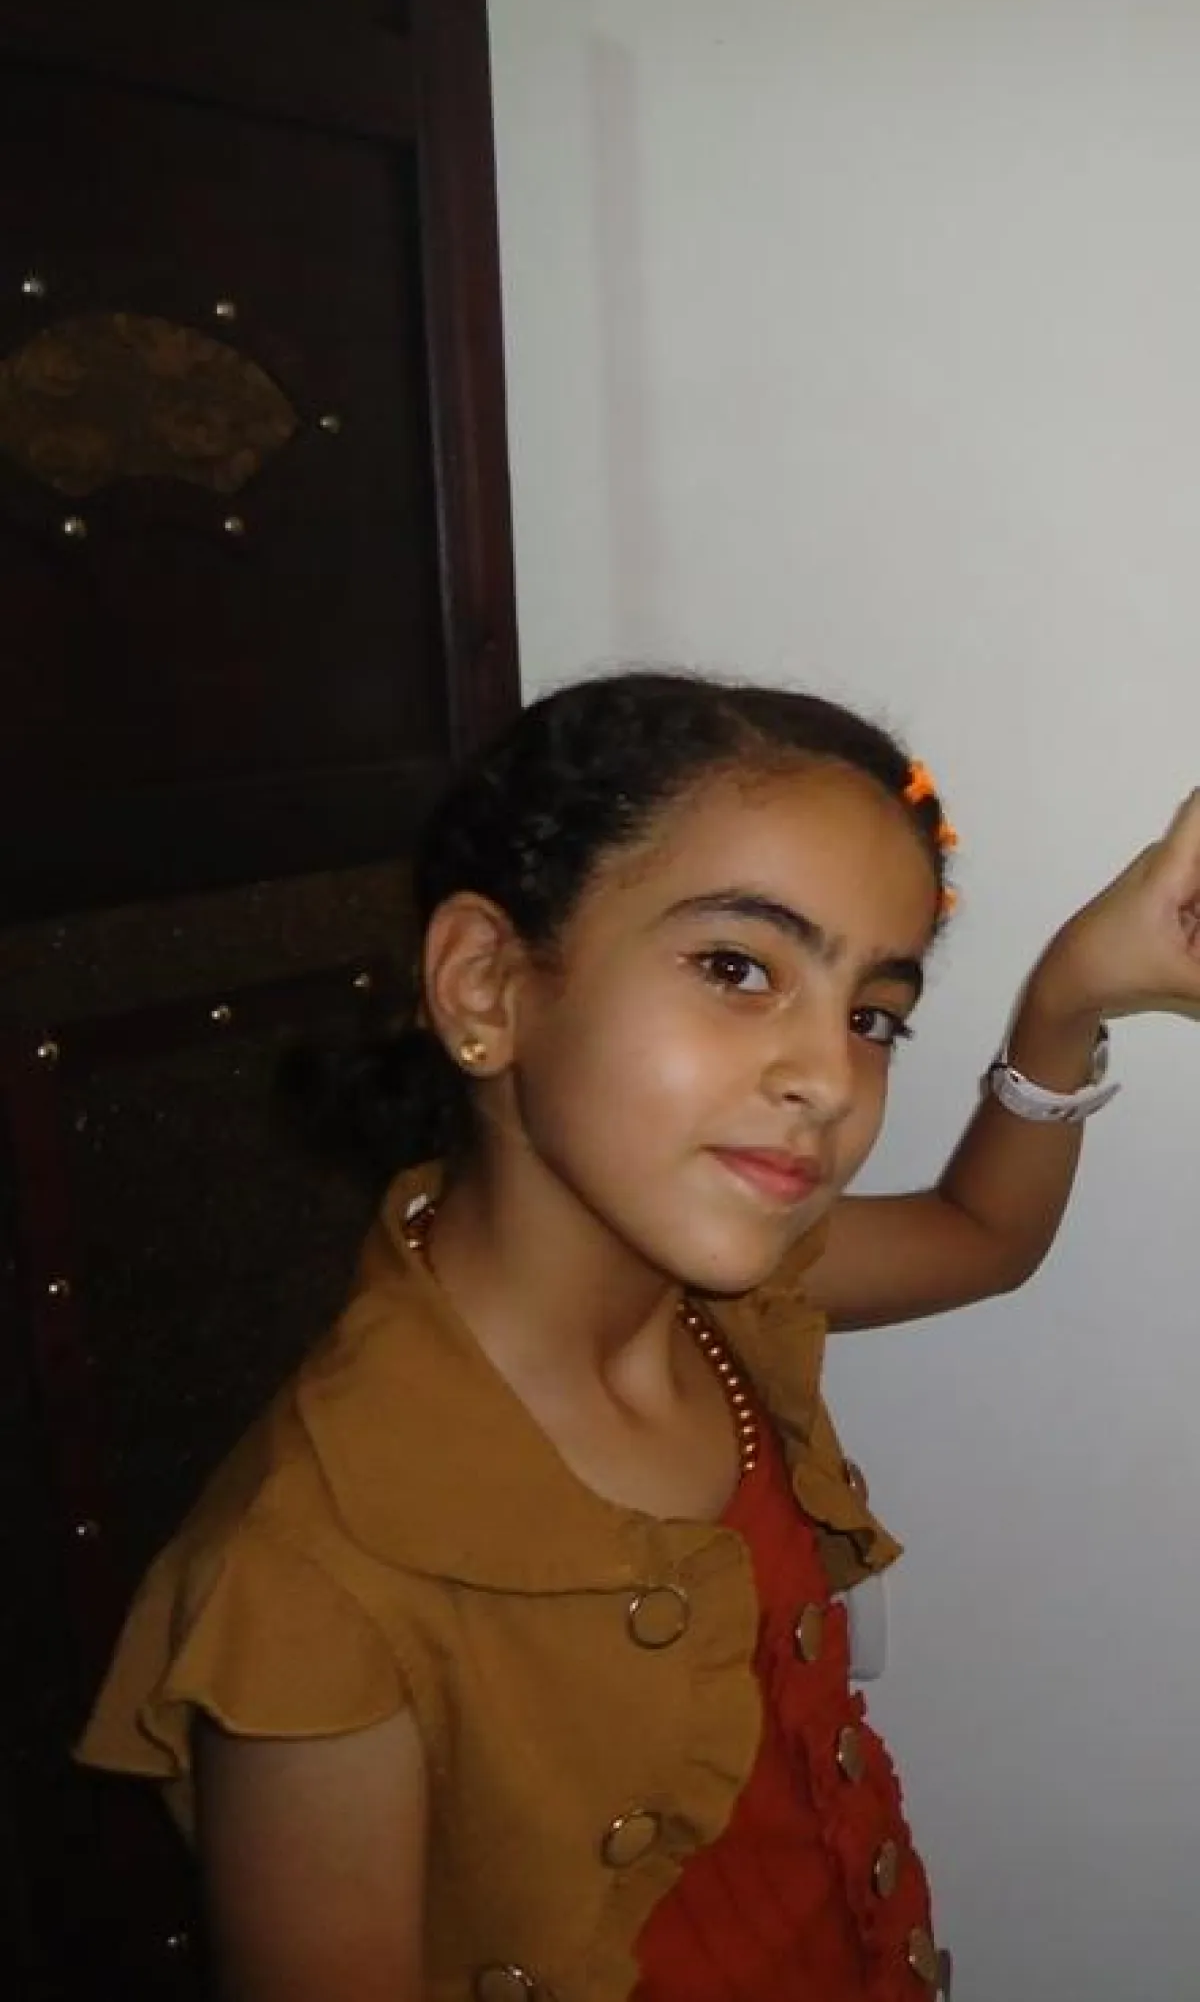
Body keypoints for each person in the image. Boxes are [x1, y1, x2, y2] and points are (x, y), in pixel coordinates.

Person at [79, 672, 1200, 2002]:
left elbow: (982, 1234)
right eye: (737, 969)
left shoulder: (717, 1302)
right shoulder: (312, 1584)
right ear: (486, 986)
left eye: (871, 1014)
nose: (828, 1078)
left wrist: (1070, 998)